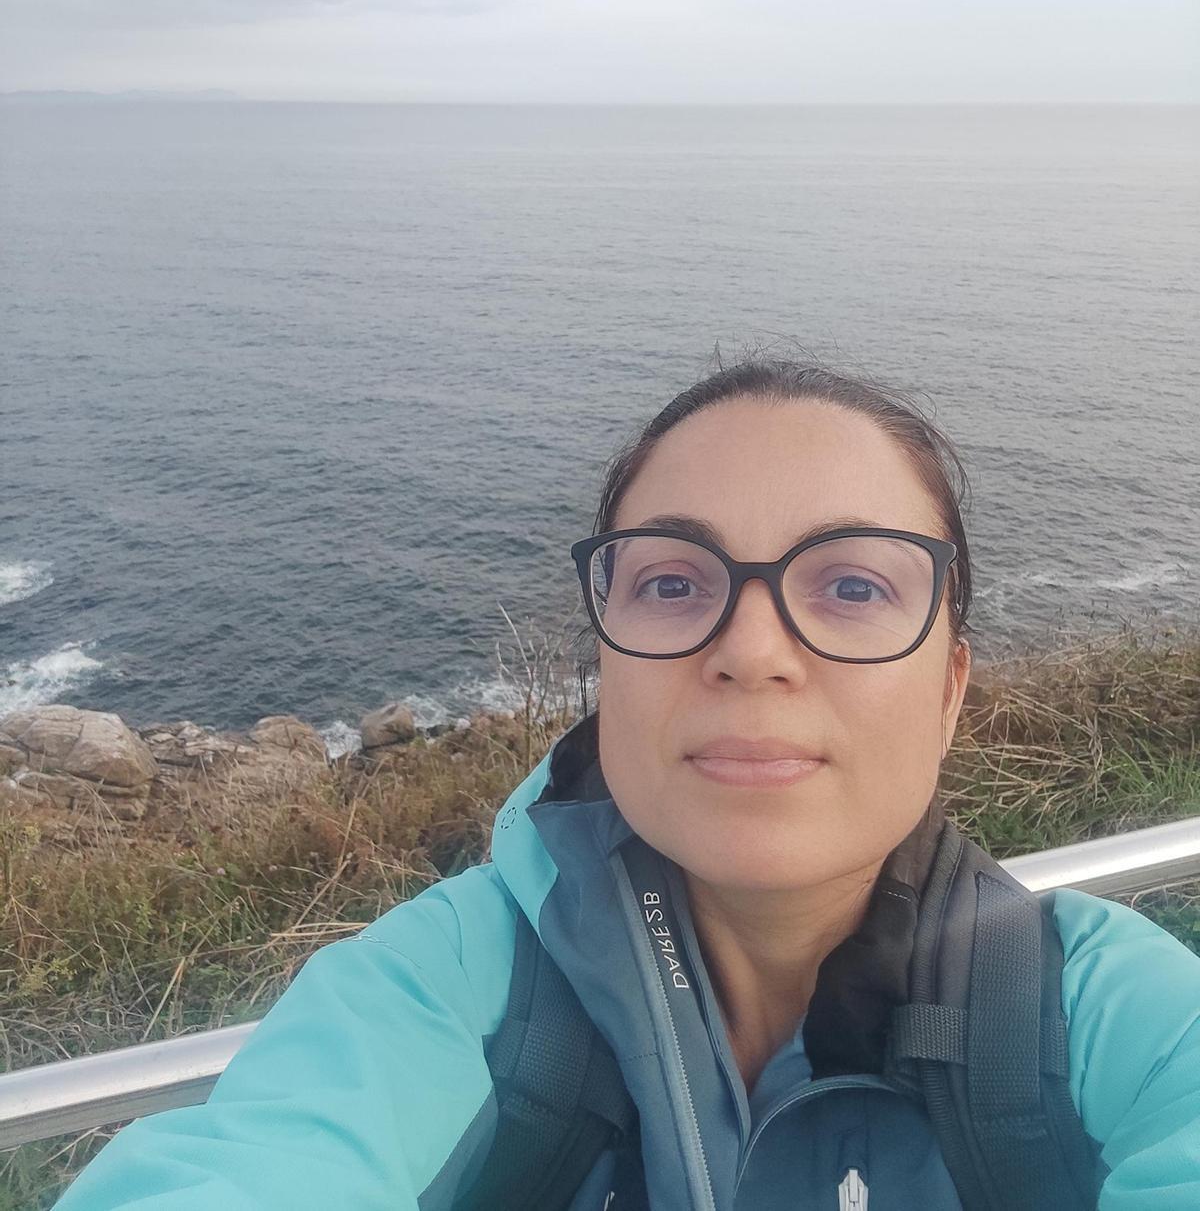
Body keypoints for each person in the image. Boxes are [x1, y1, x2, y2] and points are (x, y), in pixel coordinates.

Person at [54, 357, 1200, 1209]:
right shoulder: (450, 990)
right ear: (606, 667)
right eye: (671, 582)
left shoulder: (1109, 1024)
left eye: (853, 587)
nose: (753, 649)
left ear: (950, 689)